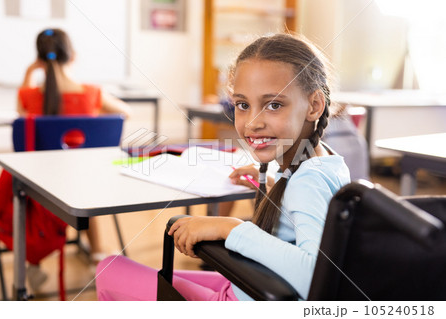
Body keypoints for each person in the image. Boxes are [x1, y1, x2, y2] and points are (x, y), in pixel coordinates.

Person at [95, 33, 350, 301]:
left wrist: (230, 227)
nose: (252, 123)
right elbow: (306, 223)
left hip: (247, 297)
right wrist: (277, 189)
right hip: (248, 286)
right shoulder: (323, 162)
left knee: (107, 270)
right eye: (243, 105)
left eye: (273, 105)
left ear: (315, 105)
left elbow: (317, 278)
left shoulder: (307, 183)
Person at [0, 28, 131, 291]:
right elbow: (124, 113)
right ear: (73, 56)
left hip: (39, 186)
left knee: (20, 181)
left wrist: (27, 74)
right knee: (82, 181)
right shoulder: (92, 94)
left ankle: (31, 262)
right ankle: (97, 254)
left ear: (39, 60)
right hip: (84, 185)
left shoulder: (28, 94)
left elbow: (22, 116)